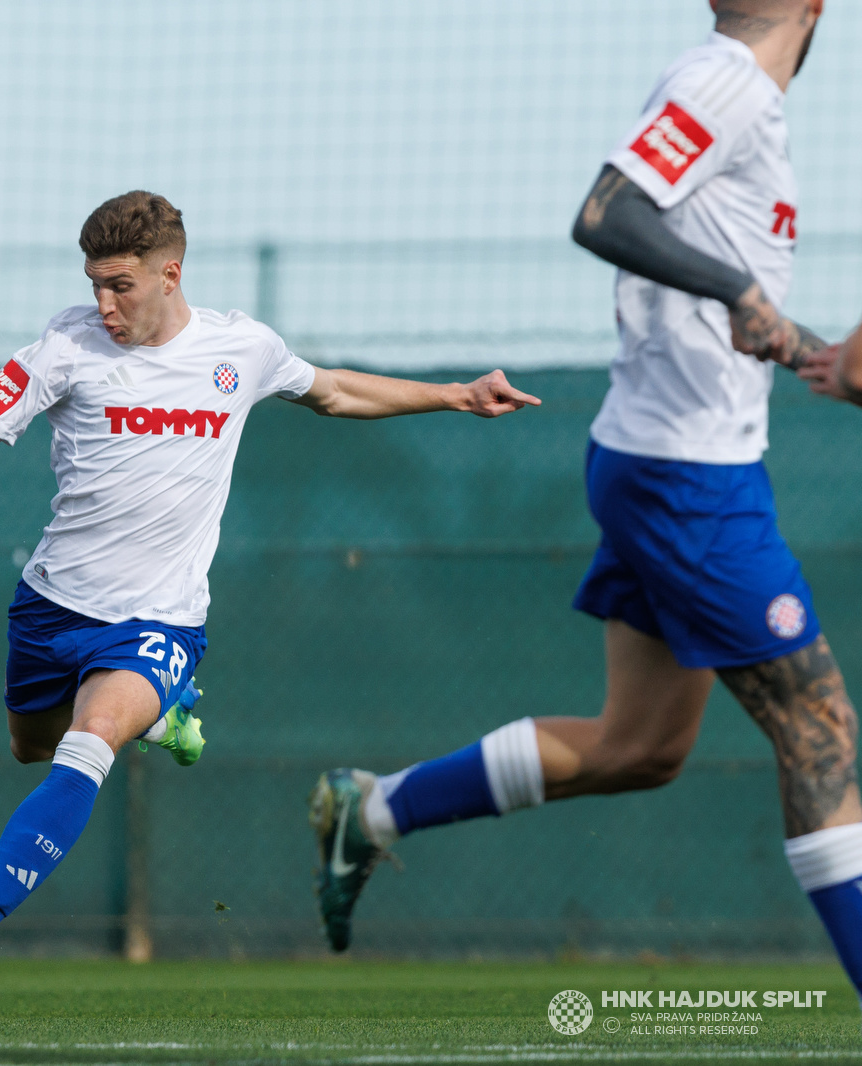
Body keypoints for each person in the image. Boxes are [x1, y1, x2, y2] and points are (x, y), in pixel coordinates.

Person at [0, 190, 539, 986]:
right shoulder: (60, 351)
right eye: (94, 283)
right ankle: (162, 717)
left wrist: (455, 395)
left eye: (120, 286)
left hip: (159, 621)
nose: (102, 302)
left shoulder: (241, 349)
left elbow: (335, 391)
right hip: (52, 607)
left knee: (92, 735)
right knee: (30, 745)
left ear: (169, 274)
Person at [311, 0, 862, 997]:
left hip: (668, 460)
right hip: (687, 478)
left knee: (640, 746)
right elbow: (608, 212)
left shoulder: (741, 98)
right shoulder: (725, 80)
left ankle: (374, 810)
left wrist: (800, 343)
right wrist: (740, 294)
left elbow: (687, 280)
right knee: (818, 726)